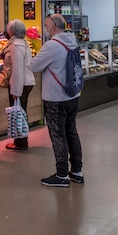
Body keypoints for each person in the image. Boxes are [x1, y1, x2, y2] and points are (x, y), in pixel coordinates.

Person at [29, 14, 82, 188]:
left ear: (52, 27)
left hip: (55, 98)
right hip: (72, 95)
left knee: (58, 135)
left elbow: (34, 66)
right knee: (71, 132)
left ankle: (61, 174)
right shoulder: (72, 41)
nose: (44, 29)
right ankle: (76, 171)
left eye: (45, 25)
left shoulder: (52, 46)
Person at [0, 19, 36, 150]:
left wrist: (15, 91)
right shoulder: (22, 43)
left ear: (12, 31)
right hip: (24, 82)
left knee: (19, 112)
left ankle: (21, 142)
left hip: (21, 83)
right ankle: (20, 140)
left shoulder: (16, 46)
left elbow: (18, 69)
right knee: (21, 111)